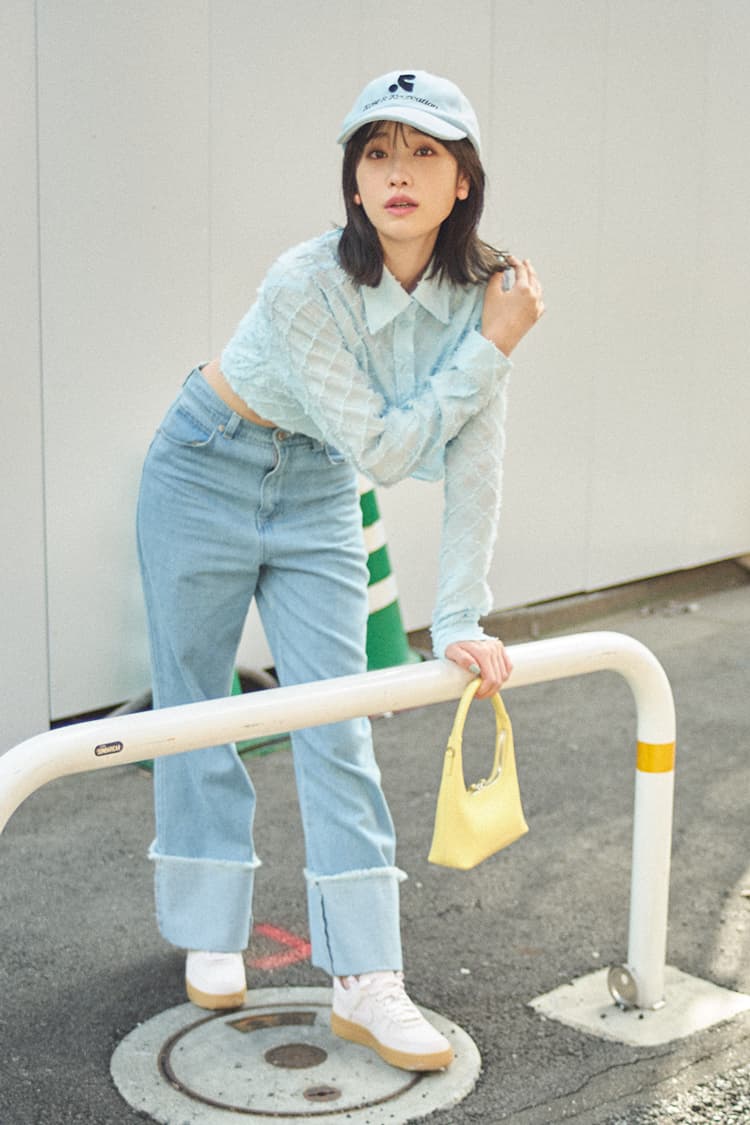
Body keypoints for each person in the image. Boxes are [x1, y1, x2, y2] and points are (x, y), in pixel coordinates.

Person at [136, 68, 544, 1073]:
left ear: (463, 180)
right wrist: (494, 347)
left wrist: (461, 616)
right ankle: (209, 925)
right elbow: (392, 454)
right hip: (204, 464)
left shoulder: (484, 294)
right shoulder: (304, 280)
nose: (398, 173)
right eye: (377, 153)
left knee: (339, 718)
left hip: (315, 487)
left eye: (424, 152)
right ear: (353, 183)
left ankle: (368, 978)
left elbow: (475, 465)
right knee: (196, 702)